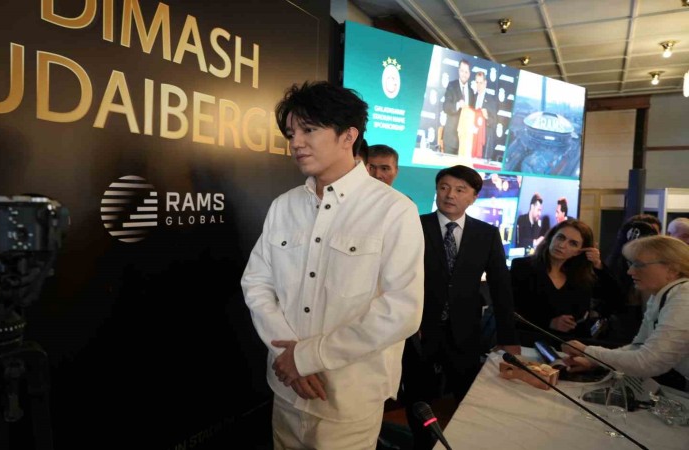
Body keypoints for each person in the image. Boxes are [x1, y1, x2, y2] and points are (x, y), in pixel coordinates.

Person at [241, 81, 424, 449]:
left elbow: (402, 310)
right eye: (291, 133)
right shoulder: (284, 206)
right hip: (286, 389)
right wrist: (288, 356)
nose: (296, 143)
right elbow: (257, 284)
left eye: (309, 130)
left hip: (348, 398)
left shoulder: (394, 210)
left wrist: (308, 357)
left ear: (348, 136)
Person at [401, 164, 519, 450]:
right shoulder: (415, 226)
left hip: (465, 332)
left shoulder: (486, 234)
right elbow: (399, 279)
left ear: (473, 197)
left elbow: (501, 288)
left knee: (468, 397)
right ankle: (423, 446)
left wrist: (508, 338)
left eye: (459, 190)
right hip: (419, 332)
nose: (450, 195)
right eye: (444, 188)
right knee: (419, 399)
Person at [563, 236, 689, 391]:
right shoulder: (661, 295)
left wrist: (587, 351)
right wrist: (593, 361)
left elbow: (649, 362)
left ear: (672, 269)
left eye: (639, 264)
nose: (630, 271)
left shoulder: (684, 297)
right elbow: (638, 346)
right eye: (631, 264)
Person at [510, 219, 623, 344]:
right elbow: (509, 309)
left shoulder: (582, 278)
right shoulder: (522, 267)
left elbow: (616, 299)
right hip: (530, 341)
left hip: (572, 344)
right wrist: (548, 322)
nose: (562, 245)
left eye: (573, 243)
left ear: (580, 251)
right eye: (560, 237)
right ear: (552, 237)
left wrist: (598, 265)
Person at [442, 59, 471, 155]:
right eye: (462, 71)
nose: (464, 74)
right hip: (451, 140)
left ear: (469, 74)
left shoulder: (471, 92)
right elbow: (446, 107)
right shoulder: (451, 85)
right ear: (459, 71)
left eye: (466, 72)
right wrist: (458, 105)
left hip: (465, 143)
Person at [470, 71, 498, 162]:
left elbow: (494, 122)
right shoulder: (472, 98)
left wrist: (487, 117)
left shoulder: (491, 100)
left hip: (484, 142)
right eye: (477, 82)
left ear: (485, 83)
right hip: (472, 140)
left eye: (481, 83)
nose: (479, 85)